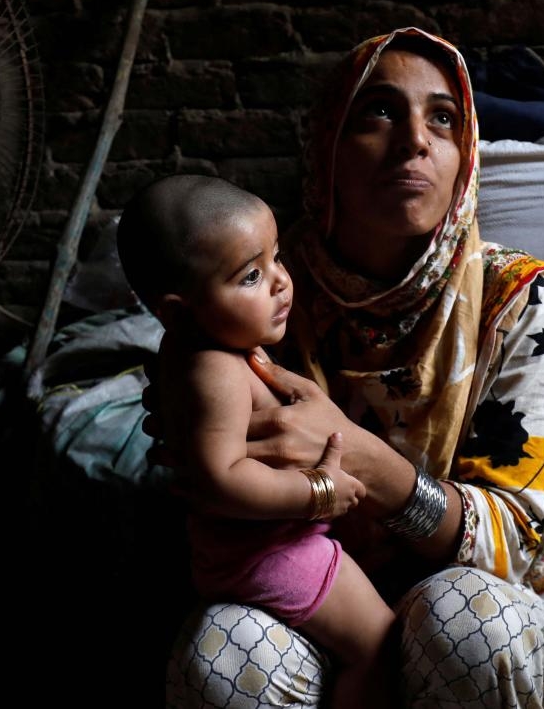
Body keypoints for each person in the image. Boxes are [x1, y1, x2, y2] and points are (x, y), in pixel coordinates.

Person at [158, 27, 544, 708]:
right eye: (381, 111)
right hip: (302, 592)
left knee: (476, 622)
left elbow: (514, 546)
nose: (415, 139)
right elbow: (199, 448)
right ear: (328, 144)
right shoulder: (254, 292)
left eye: (444, 119)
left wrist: (360, 458)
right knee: (221, 653)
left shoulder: (515, 298)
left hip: (451, 594)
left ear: (465, 155)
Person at [117, 174, 398, 709]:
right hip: (269, 552)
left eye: (277, 258)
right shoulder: (214, 370)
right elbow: (220, 480)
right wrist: (319, 492)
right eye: (250, 275)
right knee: (378, 645)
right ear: (178, 310)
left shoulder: (202, 345)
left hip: (258, 547)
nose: (280, 282)